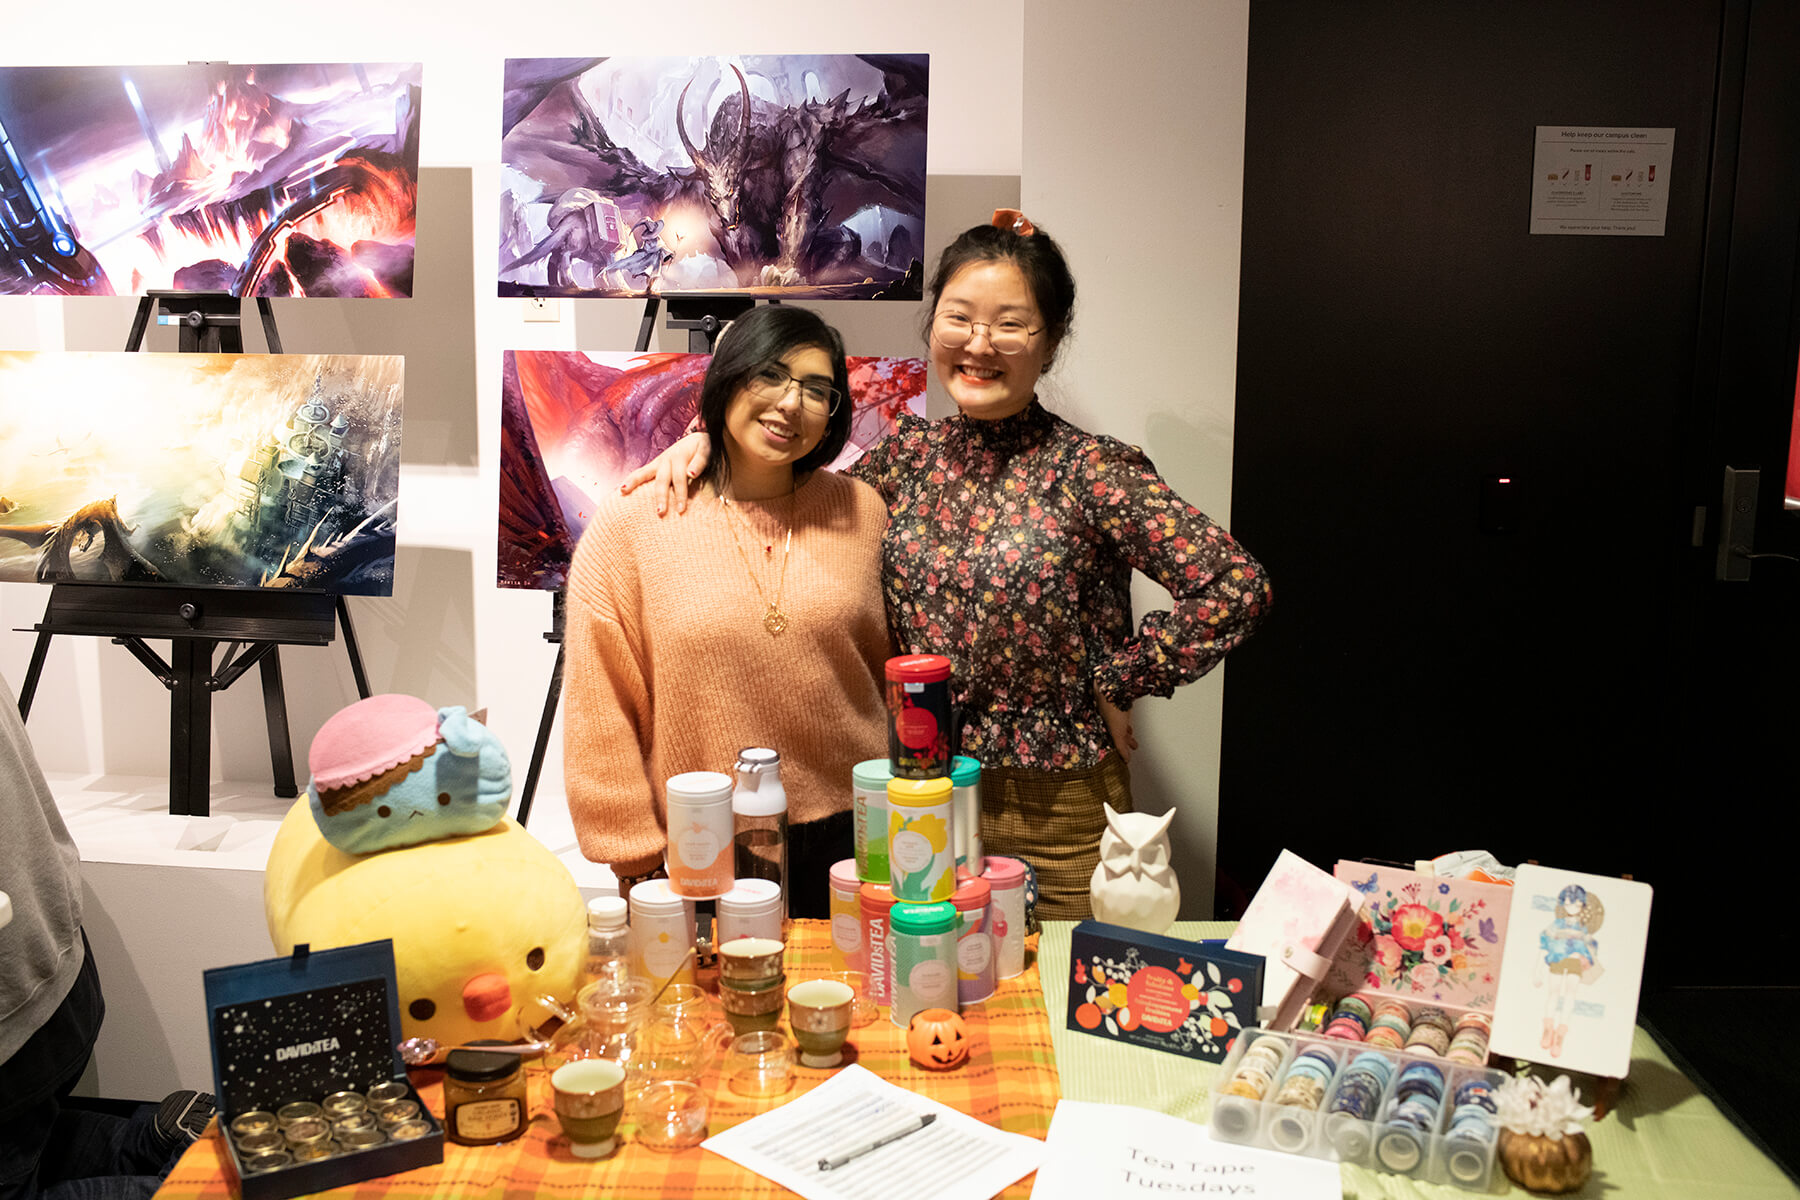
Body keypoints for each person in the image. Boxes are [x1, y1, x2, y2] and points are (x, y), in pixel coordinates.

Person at [627, 210, 1271, 918]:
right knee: (925, 1001)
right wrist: (701, 445)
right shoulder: (908, 458)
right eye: (959, 317)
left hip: (1059, 814)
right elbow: (792, 503)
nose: (979, 344)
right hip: (917, 801)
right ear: (934, 326)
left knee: (1051, 1015)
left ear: (1051, 343)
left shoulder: (1094, 471)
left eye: (1011, 324)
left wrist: (1117, 676)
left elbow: (1233, 586)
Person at [562, 305, 891, 918]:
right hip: (700, 838)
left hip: (861, 838)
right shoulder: (635, 525)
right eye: (769, 374)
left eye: (817, 390)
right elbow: (600, 707)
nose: (791, 404)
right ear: (727, 379)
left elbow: (893, 675)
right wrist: (634, 860)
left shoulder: (864, 513)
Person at [1, 670, 213, 1200]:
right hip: (50, 951)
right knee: (25, 1141)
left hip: (11, 1005)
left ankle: (199, 1184)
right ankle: (162, 1142)